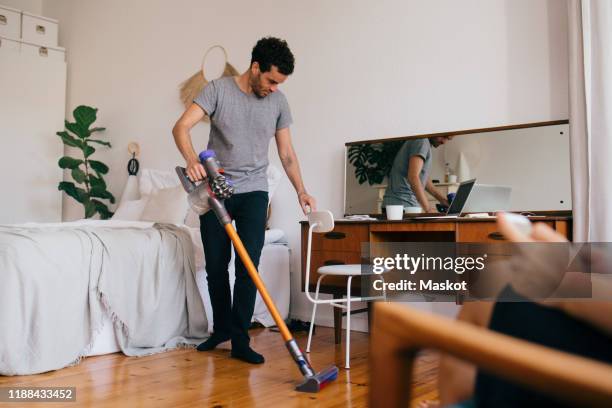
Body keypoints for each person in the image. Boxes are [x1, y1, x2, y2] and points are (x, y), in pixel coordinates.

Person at [172, 37, 316, 365]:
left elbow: (287, 154)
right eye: (271, 80)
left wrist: (301, 190)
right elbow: (181, 127)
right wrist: (192, 159)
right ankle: (220, 329)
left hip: (254, 192)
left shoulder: (279, 103)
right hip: (215, 192)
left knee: (248, 267)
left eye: (280, 83)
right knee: (216, 267)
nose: (275, 88)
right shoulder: (218, 91)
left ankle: (240, 339)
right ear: (255, 68)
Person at [382, 136, 452, 213]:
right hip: (402, 206)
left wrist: (443, 200)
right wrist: (428, 209)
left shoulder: (421, 141)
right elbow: (413, 177)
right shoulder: (422, 141)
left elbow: (422, 177)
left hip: (399, 205)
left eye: (448, 139)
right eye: (444, 137)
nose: (444, 142)